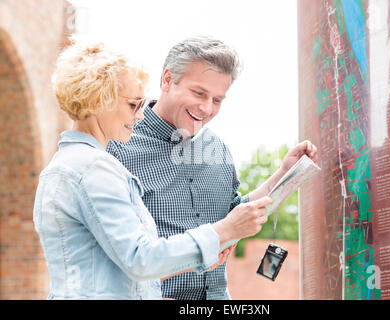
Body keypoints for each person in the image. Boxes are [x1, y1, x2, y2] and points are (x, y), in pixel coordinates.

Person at [32, 41, 272, 300]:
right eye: (134, 105)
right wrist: (222, 232)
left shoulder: (79, 165)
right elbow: (139, 259)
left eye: (217, 99)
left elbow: (118, 264)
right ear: (101, 101)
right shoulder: (92, 168)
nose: (140, 115)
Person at [107, 36, 318, 300]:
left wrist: (283, 173)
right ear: (167, 80)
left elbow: (233, 218)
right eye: (199, 93)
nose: (206, 108)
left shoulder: (218, 149)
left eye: (217, 100)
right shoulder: (117, 146)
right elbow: (104, 253)